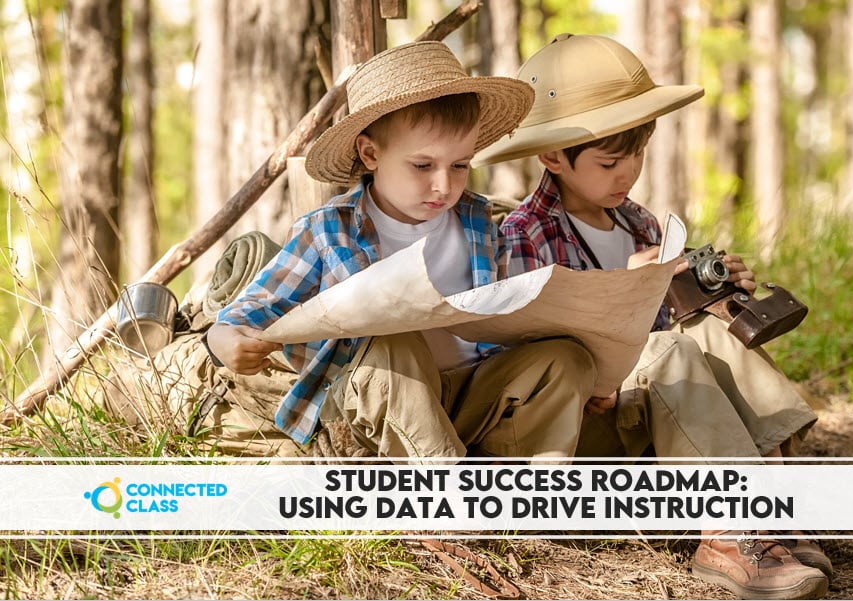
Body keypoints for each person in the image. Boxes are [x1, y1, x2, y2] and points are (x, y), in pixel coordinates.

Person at [475, 34, 830, 599]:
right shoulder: (524, 236)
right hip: (580, 426)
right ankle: (728, 535)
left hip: (653, 417)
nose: (629, 172)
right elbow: (527, 354)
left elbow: (676, 339)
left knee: (709, 330)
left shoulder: (641, 223)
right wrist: (625, 286)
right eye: (611, 161)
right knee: (668, 351)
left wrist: (706, 293)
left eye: (638, 153)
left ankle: (774, 513)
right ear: (551, 157)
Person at [204, 41, 596, 462]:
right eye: (423, 166)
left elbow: (507, 321)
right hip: (375, 411)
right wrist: (223, 338)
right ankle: (444, 501)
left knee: (563, 358)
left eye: (460, 165)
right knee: (396, 341)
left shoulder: (480, 224)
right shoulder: (328, 230)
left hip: (467, 393)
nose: (444, 185)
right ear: (371, 153)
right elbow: (250, 309)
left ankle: (529, 490)